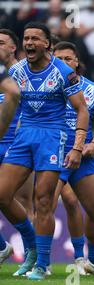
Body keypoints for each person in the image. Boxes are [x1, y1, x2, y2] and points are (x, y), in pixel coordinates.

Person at [1, 22, 89, 280]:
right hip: (23, 134)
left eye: (35, 39)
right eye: (26, 39)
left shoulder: (62, 71)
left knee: (43, 201)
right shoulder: (16, 71)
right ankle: (30, 244)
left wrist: (77, 146)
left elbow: (82, 109)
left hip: (52, 137)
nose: (29, 43)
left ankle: (42, 263)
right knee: (2, 194)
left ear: (47, 44)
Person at [52, 41, 94, 278]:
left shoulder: (93, 90)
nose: (63, 63)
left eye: (68, 59)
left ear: (76, 62)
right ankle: (41, 262)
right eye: (58, 58)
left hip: (83, 157)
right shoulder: (45, 86)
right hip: (53, 154)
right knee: (47, 206)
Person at [0, 43, 22, 268]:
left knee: (25, 200)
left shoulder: (24, 72)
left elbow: (16, 95)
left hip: (16, 145)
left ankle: (37, 258)